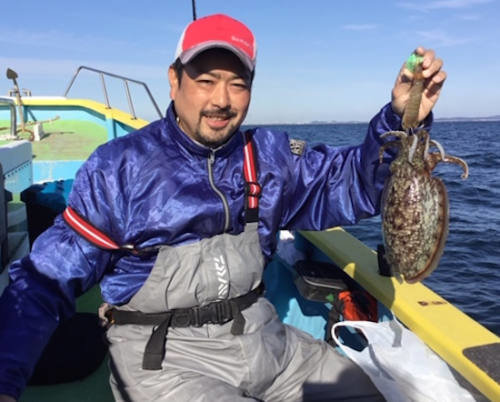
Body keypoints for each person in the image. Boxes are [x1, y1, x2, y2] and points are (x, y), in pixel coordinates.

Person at [0, 13, 446, 402]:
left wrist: (402, 118)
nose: (221, 100)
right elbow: (45, 280)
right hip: (165, 360)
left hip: (266, 340)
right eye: (205, 80)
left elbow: (355, 185)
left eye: (237, 83)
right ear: (174, 81)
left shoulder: (269, 157)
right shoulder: (120, 168)